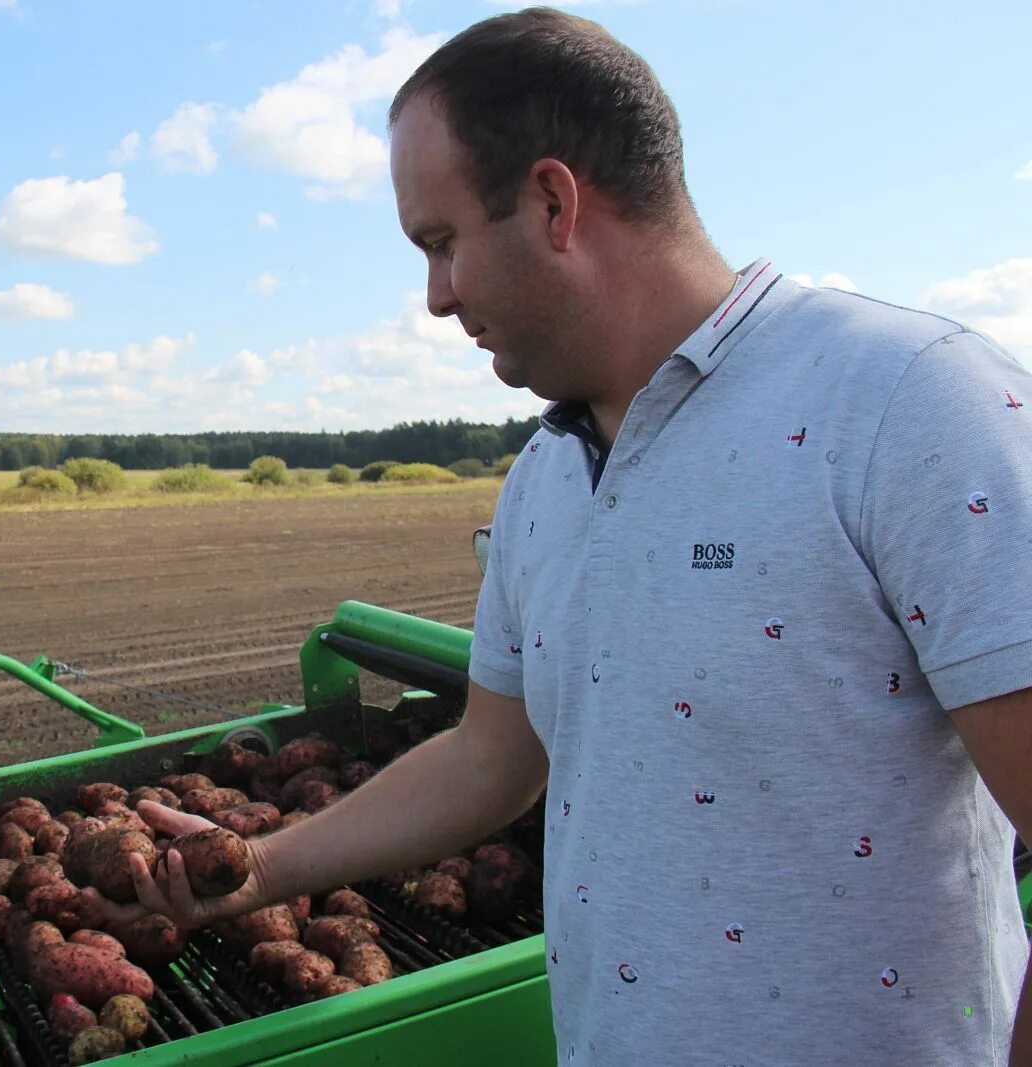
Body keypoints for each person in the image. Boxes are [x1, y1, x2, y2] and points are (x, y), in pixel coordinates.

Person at [95, 9, 1032, 1063]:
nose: (435, 297)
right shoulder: (546, 474)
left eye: (441, 243)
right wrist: (262, 867)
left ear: (552, 202)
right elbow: (490, 757)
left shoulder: (913, 405)